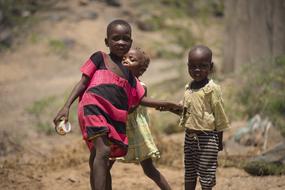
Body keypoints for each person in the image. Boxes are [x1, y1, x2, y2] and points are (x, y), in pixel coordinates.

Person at [53, 19, 180, 190]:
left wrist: (170, 104)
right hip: (93, 107)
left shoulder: (129, 75)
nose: (121, 42)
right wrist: (66, 106)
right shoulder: (100, 58)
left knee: (99, 157)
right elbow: (82, 83)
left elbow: (141, 100)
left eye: (125, 39)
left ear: (131, 42)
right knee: (104, 152)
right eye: (116, 38)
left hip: (113, 117)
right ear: (107, 42)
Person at [163, 45, 229, 190]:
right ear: (188, 66)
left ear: (210, 67)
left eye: (202, 66)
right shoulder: (189, 87)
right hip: (189, 138)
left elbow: (220, 117)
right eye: (193, 66)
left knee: (206, 176)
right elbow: (187, 112)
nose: (197, 70)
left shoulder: (212, 89)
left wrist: (219, 142)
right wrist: (170, 108)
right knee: (190, 173)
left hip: (207, 139)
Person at [121, 48, 171, 190]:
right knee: (106, 163)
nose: (126, 60)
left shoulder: (140, 86)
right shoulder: (116, 82)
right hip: (120, 127)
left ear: (141, 70)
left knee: (149, 169)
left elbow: (131, 107)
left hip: (136, 130)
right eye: (125, 57)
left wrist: (168, 105)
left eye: (132, 59)